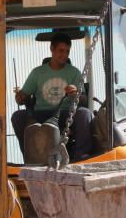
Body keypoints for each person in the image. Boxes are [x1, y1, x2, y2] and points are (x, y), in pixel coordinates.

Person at [11, 34, 93, 162]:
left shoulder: (74, 73)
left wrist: (76, 93)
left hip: (65, 115)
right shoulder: (37, 73)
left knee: (85, 114)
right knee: (17, 116)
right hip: (42, 114)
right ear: (52, 49)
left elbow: (83, 100)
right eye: (61, 51)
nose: (64, 55)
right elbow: (22, 98)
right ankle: (30, 157)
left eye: (67, 51)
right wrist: (20, 97)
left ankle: (81, 159)